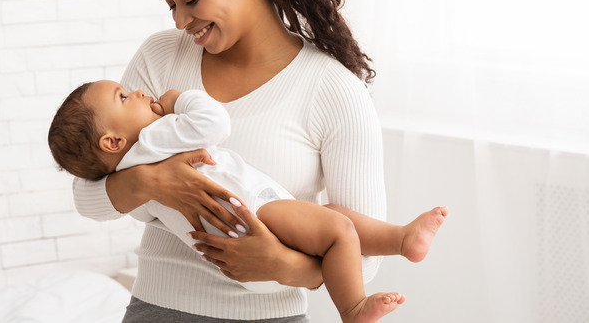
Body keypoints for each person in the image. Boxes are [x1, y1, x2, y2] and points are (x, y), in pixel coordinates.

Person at [73, 0, 421, 321]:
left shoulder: (333, 90)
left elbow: (363, 255)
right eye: (170, 6)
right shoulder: (160, 59)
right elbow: (87, 192)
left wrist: (281, 265)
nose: (181, 21)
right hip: (157, 310)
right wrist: (153, 183)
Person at [49, 80, 449, 322]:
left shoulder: (131, 167)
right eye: (123, 97)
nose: (137, 91)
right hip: (255, 214)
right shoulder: (155, 136)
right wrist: (179, 101)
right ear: (113, 141)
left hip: (248, 245)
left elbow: (107, 197)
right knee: (338, 228)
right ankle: (353, 308)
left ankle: (399, 239)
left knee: (334, 219)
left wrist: (281, 262)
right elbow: (215, 122)